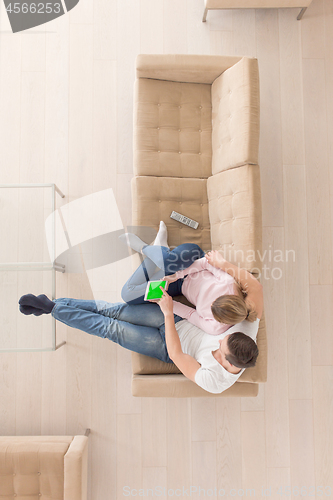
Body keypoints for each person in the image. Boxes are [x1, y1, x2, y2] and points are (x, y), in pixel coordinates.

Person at [18, 251, 263, 394]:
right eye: (226, 336)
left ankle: (51, 307)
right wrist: (223, 265)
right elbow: (255, 286)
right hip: (178, 318)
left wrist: (167, 313)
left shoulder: (215, 382)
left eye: (221, 347)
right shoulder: (245, 329)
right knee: (112, 310)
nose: (221, 338)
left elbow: (178, 355)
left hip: (166, 345)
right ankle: (52, 306)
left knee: (110, 329)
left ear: (227, 362)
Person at [120, 226, 258, 335]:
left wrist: (166, 301)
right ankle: (144, 248)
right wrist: (177, 275)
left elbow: (190, 314)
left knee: (127, 294)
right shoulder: (229, 284)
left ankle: (158, 250)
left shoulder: (215, 328)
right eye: (215, 302)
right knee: (167, 263)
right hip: (192, 260)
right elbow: (205, 263)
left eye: (213, 311)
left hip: (180, 286)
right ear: (228, 297)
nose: (210, 306)